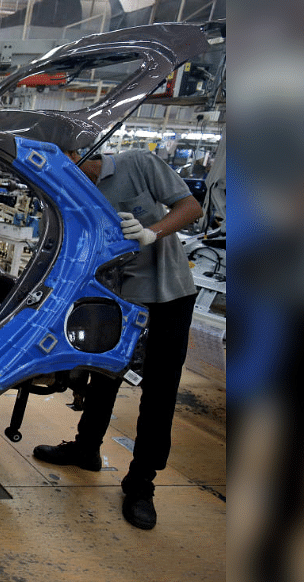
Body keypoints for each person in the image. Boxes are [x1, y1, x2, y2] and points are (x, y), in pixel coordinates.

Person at [32, 149, 202, 530]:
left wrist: (151, 232)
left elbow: (191, 208)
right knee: (102, 374)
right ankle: (86, 448)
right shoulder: (70, 189)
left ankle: (141, 484)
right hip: (115, 296)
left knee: (159, 389)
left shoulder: (138, 164)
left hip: (167, 294)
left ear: (77, 152)